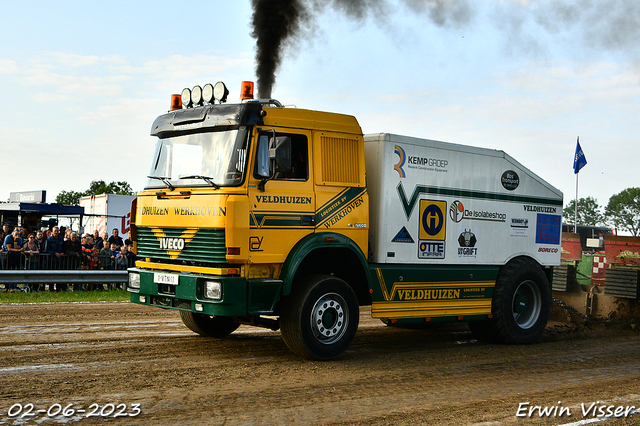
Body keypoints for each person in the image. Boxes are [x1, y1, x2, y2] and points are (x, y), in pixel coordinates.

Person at [46, 226, 65, 291]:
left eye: (57, 231)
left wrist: (62, 252)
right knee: (52, 274)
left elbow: (63, 248)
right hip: (52, 260)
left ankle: (58, 288)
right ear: (52, 232)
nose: (56, 232)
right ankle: (51, 288)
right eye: (55, 231)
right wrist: (54, 253)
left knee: (59, 274)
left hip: (59, 260)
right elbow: (47, 249)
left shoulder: (61, 238)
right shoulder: (49, 239)